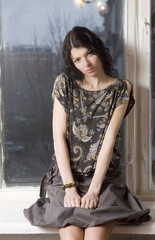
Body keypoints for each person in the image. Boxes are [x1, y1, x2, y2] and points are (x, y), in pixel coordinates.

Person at [24, 26, 151, 240]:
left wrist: (94, 190)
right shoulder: (64, 84)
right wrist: (70, 187)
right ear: (72, 63)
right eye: (78, 60)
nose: (87, 64)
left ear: (99, 50)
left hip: (104, 179)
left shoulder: (121, 88)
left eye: (90, 53)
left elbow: (109, 140)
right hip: (66, 177)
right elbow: (59, 137)